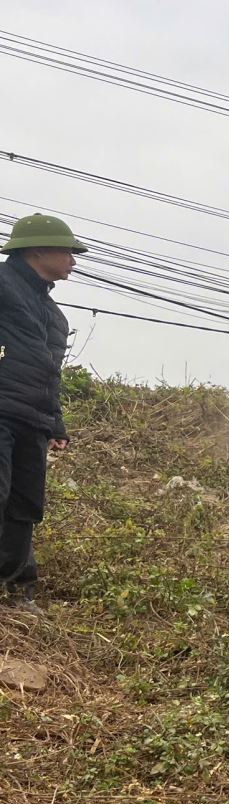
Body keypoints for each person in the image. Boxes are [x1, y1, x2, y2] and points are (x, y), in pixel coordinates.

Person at [0, 213, 83, 614]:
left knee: (24, 504)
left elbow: (51, 373)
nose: (73, 259)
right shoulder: (1, 283)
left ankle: (18, 592)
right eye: (67, 251)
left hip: (31, 418)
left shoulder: (54, 315)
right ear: (36, 249)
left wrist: (55, 421)